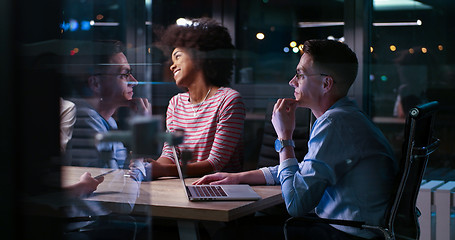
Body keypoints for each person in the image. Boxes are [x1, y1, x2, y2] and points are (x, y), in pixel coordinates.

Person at [194, 39, 398, 239]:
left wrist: (285, 138)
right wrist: (238, 177)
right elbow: (304, 169)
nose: (292, 81)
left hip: (345, 233)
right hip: (353, 229)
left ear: (326, 83)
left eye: (300, 74)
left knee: (228, 234)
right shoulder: (346, 116)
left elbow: (296, 204)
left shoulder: (334, 124)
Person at [136, 17, 245, 179]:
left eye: (178, 56)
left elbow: (215, 163)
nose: (171, 66)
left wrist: (162, 171)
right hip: (183, 184)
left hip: (220, 189)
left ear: (199, 56)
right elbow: (171, 154)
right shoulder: (176, 103)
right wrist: (153, 166)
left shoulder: (228, 100)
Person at [65, 40, 150, 169]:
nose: (134, 82)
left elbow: (126, 170)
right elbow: (115, 182)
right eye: (124, 74)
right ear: (95, 84)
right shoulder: (84, 119)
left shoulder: (107, 121)